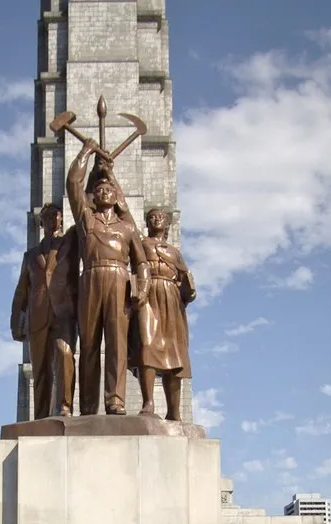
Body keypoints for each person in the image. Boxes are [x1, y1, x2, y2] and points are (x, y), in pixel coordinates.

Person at [67, 140, 150, 415]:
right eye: (99, 189)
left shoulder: (126, 228)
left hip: (119, 281)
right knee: (89, 343)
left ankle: (115, 400)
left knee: (117, 343)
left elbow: (141, 261)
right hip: (91, 277)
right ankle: (89, 405)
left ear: (116, 197)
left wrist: (143, 288)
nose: (103, 192)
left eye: (108, 189)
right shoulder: (85, 221)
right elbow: (73, 185)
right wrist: (85, 151)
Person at [10, 204, 76, 419]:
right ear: (41, 222)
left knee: (64, 353)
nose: (52, 220)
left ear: (62, 219)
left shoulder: (69, 244)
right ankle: (40, 415)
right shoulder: (30, 256)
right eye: (47, 217)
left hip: (63, 311)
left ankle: (64, 407)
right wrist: (15, 322)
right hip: (37, 314)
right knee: (40, 368)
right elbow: (21, 291)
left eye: (56, 216)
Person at [130, 207, 195, 421]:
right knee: (147, 345)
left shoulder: (175, 252)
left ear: (167, 225)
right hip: (148, 294)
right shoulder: (141, 242)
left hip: (171, 298)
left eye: (161, 217)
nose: (157, 219)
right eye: (152, 217)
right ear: (147, 223)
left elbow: (185, 280)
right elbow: (125, 216)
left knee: (173, 354)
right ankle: (148, 402)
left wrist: (189, 287)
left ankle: (173, 411)